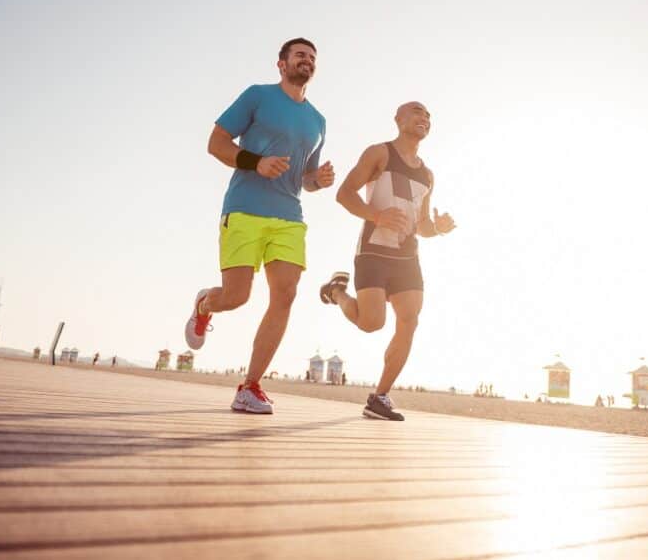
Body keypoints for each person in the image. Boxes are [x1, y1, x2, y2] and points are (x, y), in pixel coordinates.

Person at [184, 38, 334, 415]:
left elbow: (304, 179)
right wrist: (255, 162)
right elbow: (216, 143)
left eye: (312, 58)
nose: (307, 61)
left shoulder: (318, 120)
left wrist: (320, 179)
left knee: (285, 294)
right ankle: (206, 304)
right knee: (236, 297)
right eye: (300, 55)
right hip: (245, 208)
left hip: (289, 216)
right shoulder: (257, 96)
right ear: (281, 63)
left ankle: (250, 385)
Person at [319, 102, 455, 421]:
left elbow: (422, 224)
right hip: (373, 250)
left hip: (407, 257)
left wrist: (439, 228)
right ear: (398, 120)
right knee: (372, 323)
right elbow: (345, 194)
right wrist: (377, 215)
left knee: (410, 319)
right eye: (418, 112)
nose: (425, 118)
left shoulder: (427, 174)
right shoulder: (379, 153)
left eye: (429, 116)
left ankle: (380, 396)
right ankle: (337, 292)